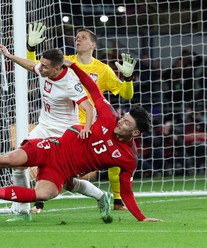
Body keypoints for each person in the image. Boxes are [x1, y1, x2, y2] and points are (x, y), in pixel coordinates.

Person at [0, 60, 161, 223]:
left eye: (126, 124)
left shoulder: (128, 159)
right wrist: (76, 68)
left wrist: (141, 218)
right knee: (10, 159)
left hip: (62, 171)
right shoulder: (108, 117)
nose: (121, 122)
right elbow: (92, 89)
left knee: (44, 194)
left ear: (135, 134)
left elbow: (128, 191)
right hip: (53, 147)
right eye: (123, 118)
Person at [27, 22, 136, 212]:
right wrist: (30, 49)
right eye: (77, 37)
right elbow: (38, 68)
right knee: (49, 161)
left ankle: (117, 199)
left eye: (83, 37)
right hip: (64, 123)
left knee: (114, 154)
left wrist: (128, 79)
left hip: (91, 125)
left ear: (93, 45)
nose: (78, 39)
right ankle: (39, 201)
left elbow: (126, 95)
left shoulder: (103, 70)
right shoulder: (65, 61)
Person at [0, 45, 96, 221]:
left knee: (69, 182)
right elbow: (29, 65)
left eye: (44, 66)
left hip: (64, 134)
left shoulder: (70, 82)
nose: (40, 68)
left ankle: (101, 196)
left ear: (57, 68)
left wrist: (86, 129)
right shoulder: (44, 70)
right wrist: (9, 56)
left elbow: (89, 107)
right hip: (43, 127)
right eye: (41, 64)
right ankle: (23, 210)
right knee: (19, 164)